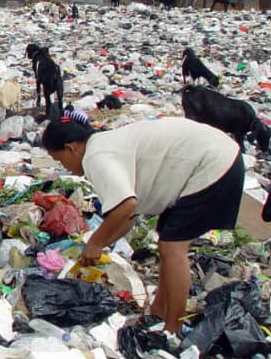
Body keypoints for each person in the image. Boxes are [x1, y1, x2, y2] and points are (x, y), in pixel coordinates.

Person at [41, 113, 245, 335]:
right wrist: (94, 246)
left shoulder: (95, 157)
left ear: (71, 148)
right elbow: (127, 220)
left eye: (60, 160)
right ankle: (158, 313)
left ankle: (173, 329)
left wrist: (97, 242)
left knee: (173, 248)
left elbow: (126, 205)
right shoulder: (103, 144)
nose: (65, 167)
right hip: (216, 156)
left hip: (213, 163)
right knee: (167, 240)